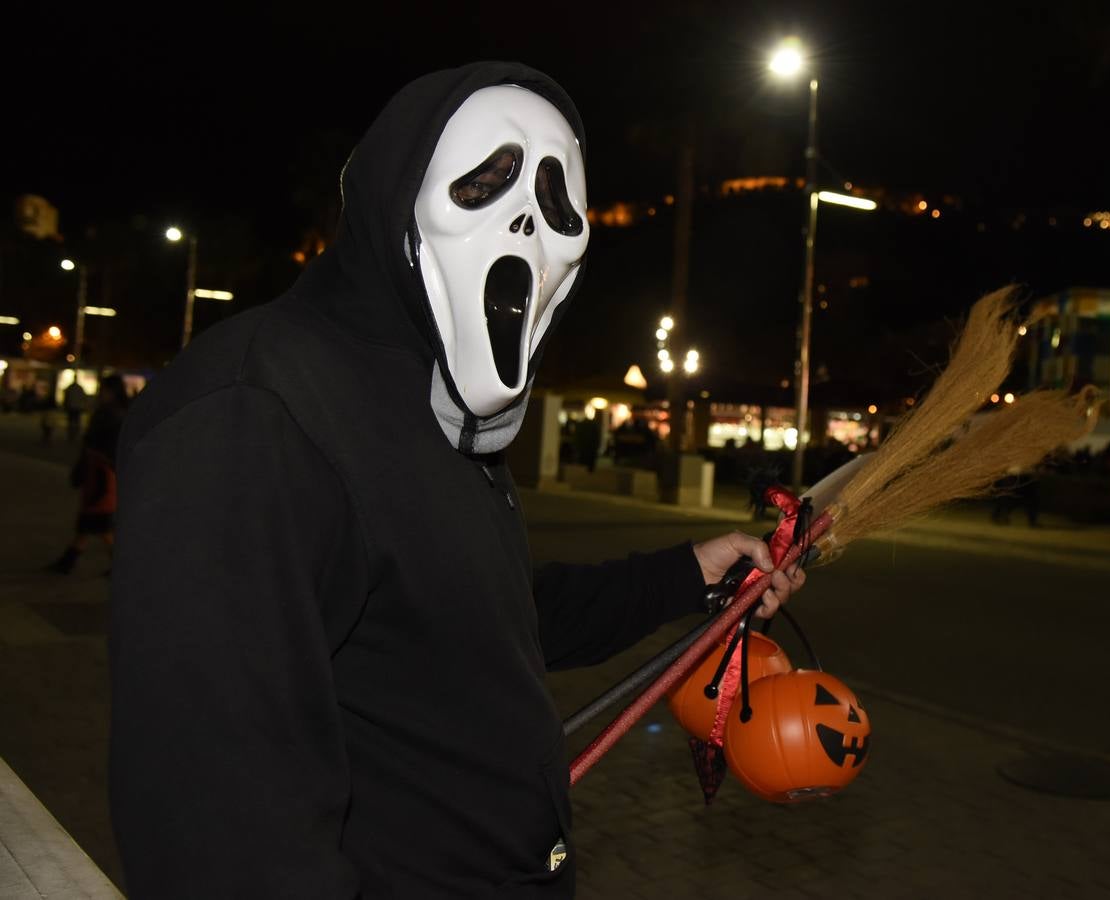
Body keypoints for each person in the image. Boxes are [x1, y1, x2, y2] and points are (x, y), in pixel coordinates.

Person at [109, 62, 805, 898]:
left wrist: (687, 573)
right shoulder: (256, 412)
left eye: (558, 202)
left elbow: (484, 623)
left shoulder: (435, 404)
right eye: (482, 181)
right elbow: (215, 811)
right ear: (395, 198)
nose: (524, 224)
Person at [47, 375, 128, 574]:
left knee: (98, 518)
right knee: (92, 519)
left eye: (104, 390)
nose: (101, 393)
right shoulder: (114, 413)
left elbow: (102, 444)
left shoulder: (111, 415)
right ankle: (71, 558)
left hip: (101, 470)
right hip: (98, 469)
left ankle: (115, 564)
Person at [62, 376, 88, 441]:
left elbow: (66, 397)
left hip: (72, 407)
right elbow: (84, 397)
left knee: (72, 421)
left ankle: (71, 434)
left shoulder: (71, 387)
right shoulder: (79, 388)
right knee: (75, 421)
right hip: (77, 407)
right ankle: (74, 434)